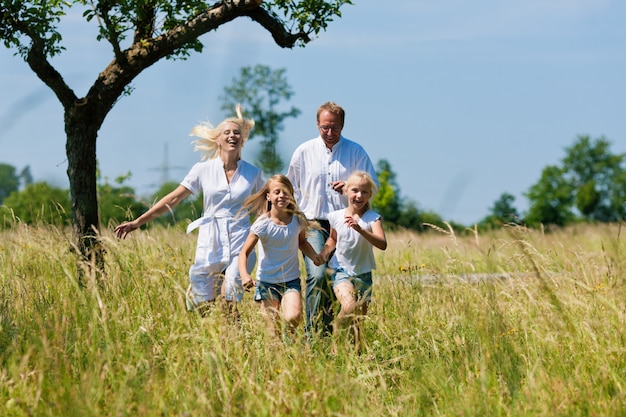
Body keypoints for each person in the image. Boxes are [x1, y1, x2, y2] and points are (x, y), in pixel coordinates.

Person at [115, 105, 264, 317]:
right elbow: (174, 198)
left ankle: (235, 344)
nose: (232, 135)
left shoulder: (254, 173)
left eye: (236, 133)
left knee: (228, 299)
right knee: (203, 307)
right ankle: (209, 336)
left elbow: (264, 208)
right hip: (210, 239)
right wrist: (138, 222)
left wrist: (268, 235)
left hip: (241, 240)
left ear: (242, 140)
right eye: (227, 132)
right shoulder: (202, 169)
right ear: (218, 140)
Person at [286, 101, 379, 337]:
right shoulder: (303, 151)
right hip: (313, 224)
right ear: (317, 124)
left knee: (342, 279)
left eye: (335, 128)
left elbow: (372, 185)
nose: (329, 132)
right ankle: (314, 336)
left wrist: (350, 187)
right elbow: (291, 189)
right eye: (325, 127)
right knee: (317, 276)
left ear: (342, 126)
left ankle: (339, 335)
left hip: (347, 225)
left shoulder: (356, 151)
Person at [238, 175, 323, 337]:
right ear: (268, 196)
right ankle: (280, 354)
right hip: (267, 282)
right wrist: (244, 276)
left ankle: (290, 337)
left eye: (286, 192)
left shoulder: (297, 221)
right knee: (272, 331)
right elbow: (244, 253)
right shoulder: (262, 224)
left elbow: (302, 242)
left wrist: (315, 256)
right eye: (277, 192)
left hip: (290, 280)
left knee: (293, 317)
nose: (281, 196)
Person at [319, 171, 387, 351]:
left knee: (358, 323)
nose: (359, 196)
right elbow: (333, 239)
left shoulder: (373, 218)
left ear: (369, 195)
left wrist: (360, 229)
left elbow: (382, 244)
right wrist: (324, 252)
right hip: (340, 270)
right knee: (349, 307)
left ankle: (357, 357)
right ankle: (335, 343)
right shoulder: (336, 216)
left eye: (364, 192)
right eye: (355, 190)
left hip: (363, 274)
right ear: (346, 191)